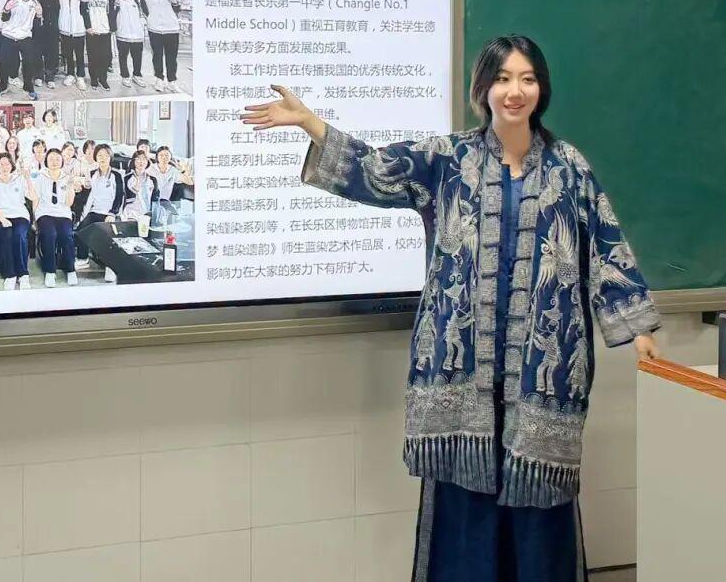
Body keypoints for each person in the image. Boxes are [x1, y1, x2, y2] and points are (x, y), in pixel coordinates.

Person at [240, 36, 663, 582]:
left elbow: (605, 244)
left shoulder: (568, 168)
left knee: (540, 520)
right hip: (460, 377)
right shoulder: (448, 160)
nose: (515, 91)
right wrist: (311, 124)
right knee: (465, 520)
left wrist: (637, 328)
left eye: (527, 79)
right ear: (482, 88)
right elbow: (376, 170)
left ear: (542, 88)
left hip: (544, 376)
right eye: (503, 78)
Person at [74, 143, 124, 282]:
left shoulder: (117, 175)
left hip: (110, 213)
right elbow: (87, 196)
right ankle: (83, 259)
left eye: (106, 155)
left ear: (110, 157)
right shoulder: (92, 174)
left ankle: (111, 266)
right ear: (96, 157)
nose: (103, 158)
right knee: (81, 230)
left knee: (109, 236)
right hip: (95, 211)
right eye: (100, 155)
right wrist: (83, 188)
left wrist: (112, 213)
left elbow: (120, 196)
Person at [0, 153, 36, 290]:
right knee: (6, 236)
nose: (4, 167)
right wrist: (3, 220)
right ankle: (10, 275)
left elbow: (32, 196)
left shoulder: (19, 179)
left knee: (19, 235)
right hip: (1, 216)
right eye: (1, 164)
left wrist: (28, 178)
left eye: (7, 164)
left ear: (12, 166)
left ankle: (23, 274)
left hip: (20, 215)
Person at [33, 148, 79, 287]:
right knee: (49, 234)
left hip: (63, 213)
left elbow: (69, 203)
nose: (54, 162)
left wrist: (70, 185)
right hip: (45, 212)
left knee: (66, 235)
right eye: (51, 159)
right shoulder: (40, 177)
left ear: (62, 161)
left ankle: (70, 269)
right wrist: (34, 218)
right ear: (46, 161)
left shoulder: (67, 177)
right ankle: (50, 271)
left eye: (57, 159)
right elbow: (36, 199)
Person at [0, 0, 43, 100]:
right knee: (4, 62)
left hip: (25, 36)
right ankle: (3, 86)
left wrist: (39, 15)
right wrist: (7, 10)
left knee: (29, 62)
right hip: (8, 35)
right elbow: (4, 18)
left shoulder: (35, 2)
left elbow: (37, 25)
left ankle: (29, 87)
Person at [138, 0, 182, 92]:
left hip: (171, 28)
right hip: (154, 29)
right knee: (157, 55)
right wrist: (151, 19)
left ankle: (172, 81)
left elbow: (177, 9)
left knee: (171, 56)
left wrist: (174, 2)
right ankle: (159, 79)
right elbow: (144, 9)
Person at [81, 0, 115, 91]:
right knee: (93, 56)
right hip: (92, 29)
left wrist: (112, 26)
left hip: (105, 28)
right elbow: (82, 10)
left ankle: (103, 79)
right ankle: (94, 79)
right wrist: (87, 26)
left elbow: (110, 9)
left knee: (105, 56)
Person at [57, 0, 88, 90]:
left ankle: (80, 76)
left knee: (79, 54)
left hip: (78, 28)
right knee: (68, 54)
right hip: (65, 28)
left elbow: (85, 9)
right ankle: (70, 74)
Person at [114, 0, 146, 88]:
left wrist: (141, 26)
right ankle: (125, 76)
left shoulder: (135, 0)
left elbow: (141, 14)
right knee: (123, 56)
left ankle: (137, 75)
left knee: (137, 57)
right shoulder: (114, 0)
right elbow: (112, 16)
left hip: (137, 34)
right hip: (122, 33)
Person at [32, 0, 60, 89]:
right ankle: (38, 76)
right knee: (36, 51)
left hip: (50, 25)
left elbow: (57, 9)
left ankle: (50, 77)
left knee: (51, 52)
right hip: (36, 25)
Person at [121, 150, 159, 220]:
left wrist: (153, 214)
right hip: (130, 214)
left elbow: (155, 199)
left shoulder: (153, 179)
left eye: (144, 159)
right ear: (133, 161)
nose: (141, 161)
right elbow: (126, 199)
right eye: (138, 159)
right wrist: (136, 186)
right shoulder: (126, 179)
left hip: (147, 214)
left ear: (147, 162)